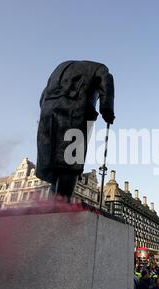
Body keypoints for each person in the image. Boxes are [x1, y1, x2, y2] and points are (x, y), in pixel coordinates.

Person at [36, 60, 115, 200]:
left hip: (48, 112)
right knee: (71, 162)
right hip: (75, 113)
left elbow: (43, 96)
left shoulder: (60, 66)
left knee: (54, 163)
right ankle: (61, 206)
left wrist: (46, 111)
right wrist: (106, 109)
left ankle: (51, 203)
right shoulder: (101, 69)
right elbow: (106, 82)